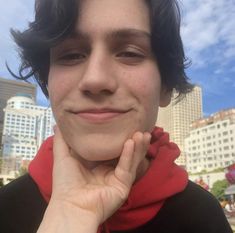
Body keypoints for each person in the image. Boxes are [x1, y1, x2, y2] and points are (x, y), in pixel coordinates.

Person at [0, 0, 232, 232]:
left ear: (166, 87)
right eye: (70, 55)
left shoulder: (202, 217)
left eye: (130, 53)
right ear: (48, 84)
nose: (95, 79)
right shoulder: (6, 208)